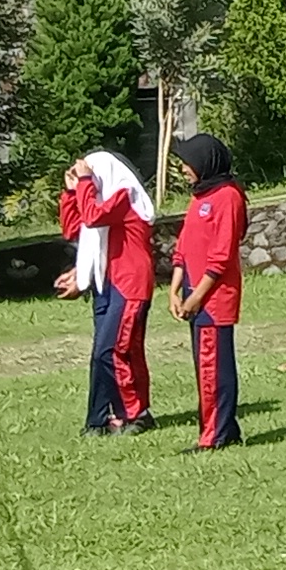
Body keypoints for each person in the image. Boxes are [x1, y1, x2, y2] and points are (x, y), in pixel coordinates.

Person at [56, 149, 159, 434]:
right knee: (102, 354)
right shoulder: (102, 198)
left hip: (130, 284)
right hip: (107, 282)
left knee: (114, 350)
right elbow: (73, 228)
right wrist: (71, 192)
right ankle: (98, 420)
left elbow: (92, 217)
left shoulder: (125, 195)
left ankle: (136, 414)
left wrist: (84, 182)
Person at [167, 133, 247, 451]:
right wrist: (175, 290)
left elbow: (222, 255)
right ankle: (225, 429)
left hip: (213, 298)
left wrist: (197, 296)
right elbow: (184, 246)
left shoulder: (228, 196)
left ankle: (215, 435)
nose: (184, 168)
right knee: (205, 367)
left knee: (213, 367)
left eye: (187, 162)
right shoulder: (200, 196)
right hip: (193, 293)